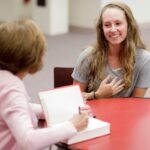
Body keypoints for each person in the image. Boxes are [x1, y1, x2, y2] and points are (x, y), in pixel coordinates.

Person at [0, 19, 89, 150]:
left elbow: (15, 108)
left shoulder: (4, 80)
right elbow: (28, 140)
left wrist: (54, 110)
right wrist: (72, 126)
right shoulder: (12, 88)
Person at [72, 1, 150, 100]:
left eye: (118, 23)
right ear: (102, 29)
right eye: (107, 25)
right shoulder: (87, 56)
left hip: (125, 114)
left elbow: (136, 104)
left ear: (129, 25)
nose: (113, 29)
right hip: (92, 114)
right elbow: (74, 99)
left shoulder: (144, 60)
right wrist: (97, 95)